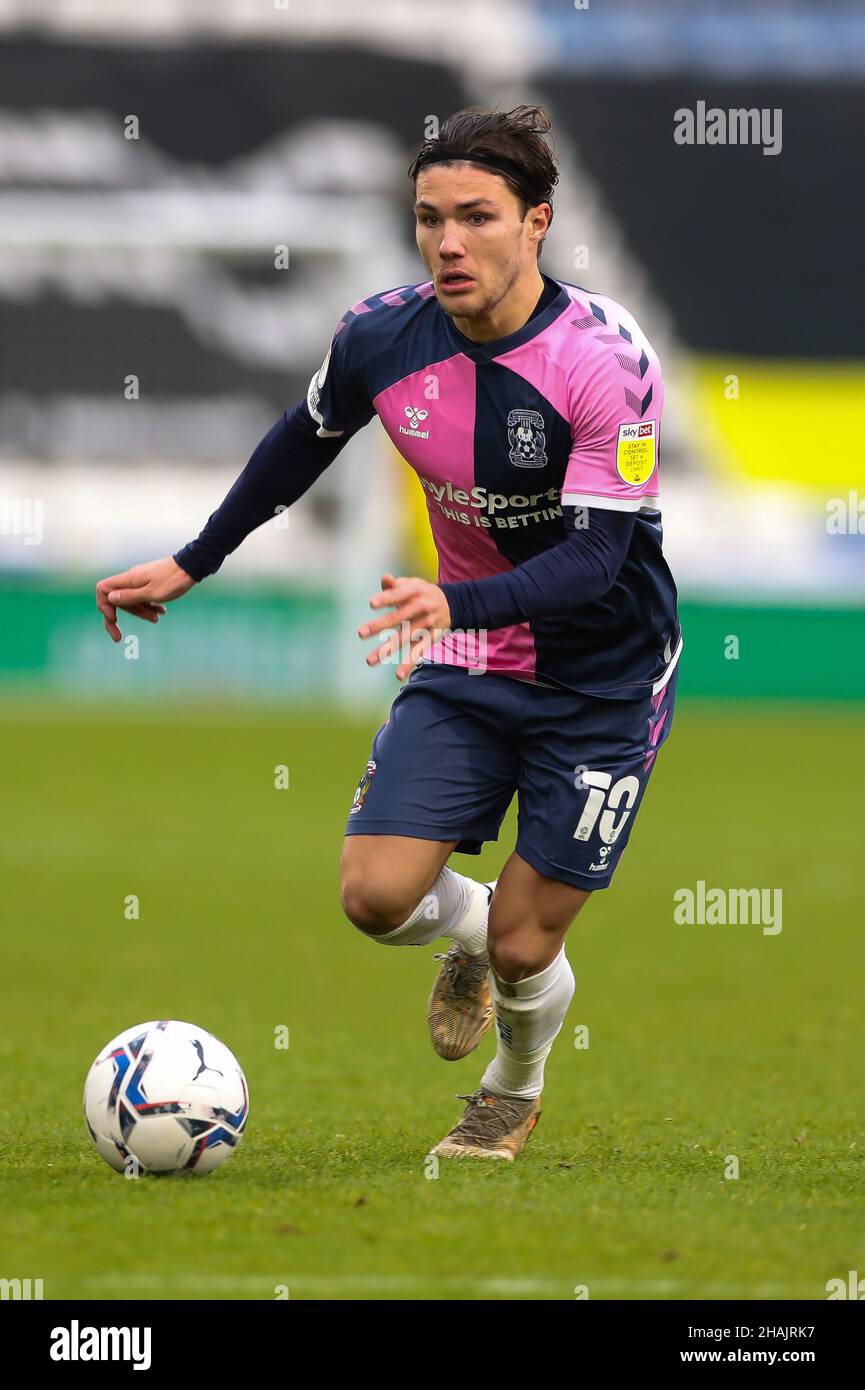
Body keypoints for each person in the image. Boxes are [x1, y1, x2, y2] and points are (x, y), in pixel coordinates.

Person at [96, 105, 681, 1162]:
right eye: (428, 219)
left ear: (536, 222)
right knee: (373, 896)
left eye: (476, 218)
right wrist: (195, 559)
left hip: (604, 674)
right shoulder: (379, 334)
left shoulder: (604, 361)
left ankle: (512, 1086)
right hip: (466, 656)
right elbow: (297, 443)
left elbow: (596, 561)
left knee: (522, 940)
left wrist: (451, 602)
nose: (449, 242)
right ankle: (459, 942)